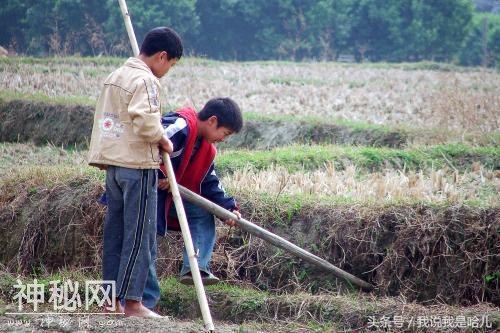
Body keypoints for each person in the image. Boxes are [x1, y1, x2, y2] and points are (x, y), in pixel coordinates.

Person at [88, 27, 182, 318]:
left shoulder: (115, 76)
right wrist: (164, 140)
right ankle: (132, 303)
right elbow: (145, 122)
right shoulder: (147, 80)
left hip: (114, 167)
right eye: (171, 64)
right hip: (138, 166)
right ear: (162, 56)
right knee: (139, 235)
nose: (167, 71)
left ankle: (109, 301)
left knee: (115, 234)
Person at [156, 97, 243, 285]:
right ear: (212, 121)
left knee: (202, 212)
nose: (223, 139)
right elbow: (145, 144)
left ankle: (196, 269)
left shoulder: (207, 150)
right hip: (147, 192)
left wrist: (227, 208)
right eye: (225, 133)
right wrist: (159, 175)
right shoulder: (180, 125)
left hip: (171, 196)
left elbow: (209, 182)